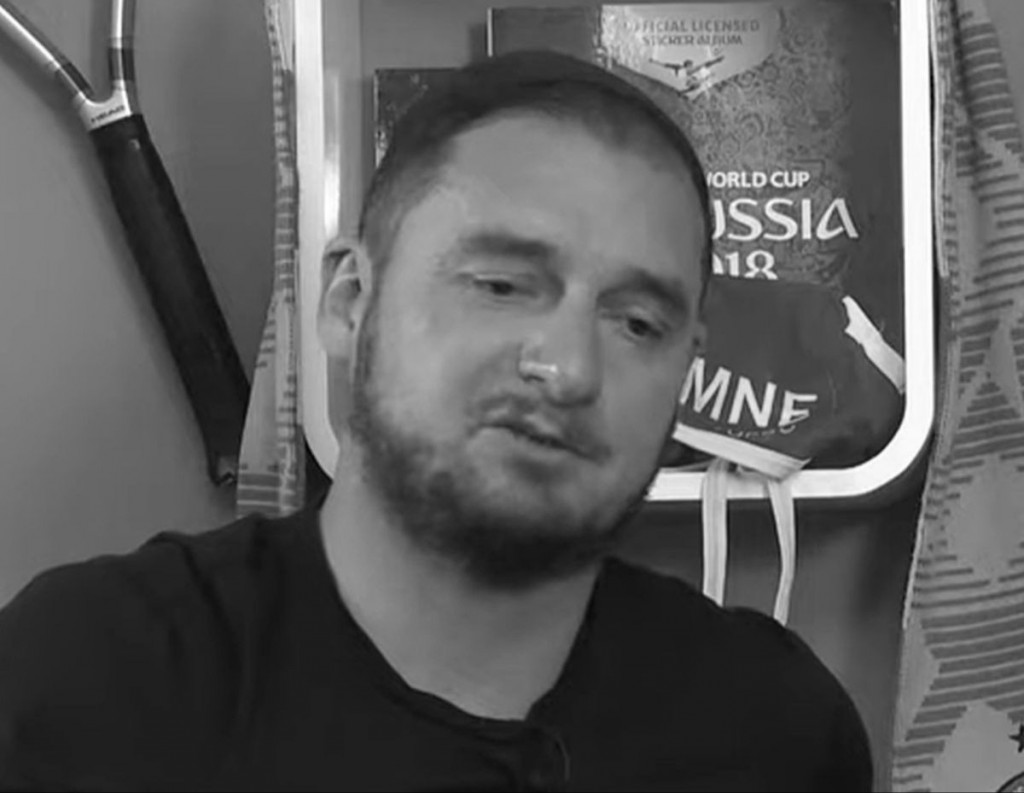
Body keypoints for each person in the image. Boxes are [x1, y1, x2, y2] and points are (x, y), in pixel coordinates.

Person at [0, 51, 872, 791]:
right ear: (350, 300)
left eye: (639, 323)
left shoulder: (776, 732)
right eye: (502, 284)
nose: (567, 368)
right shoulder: (94, 680)